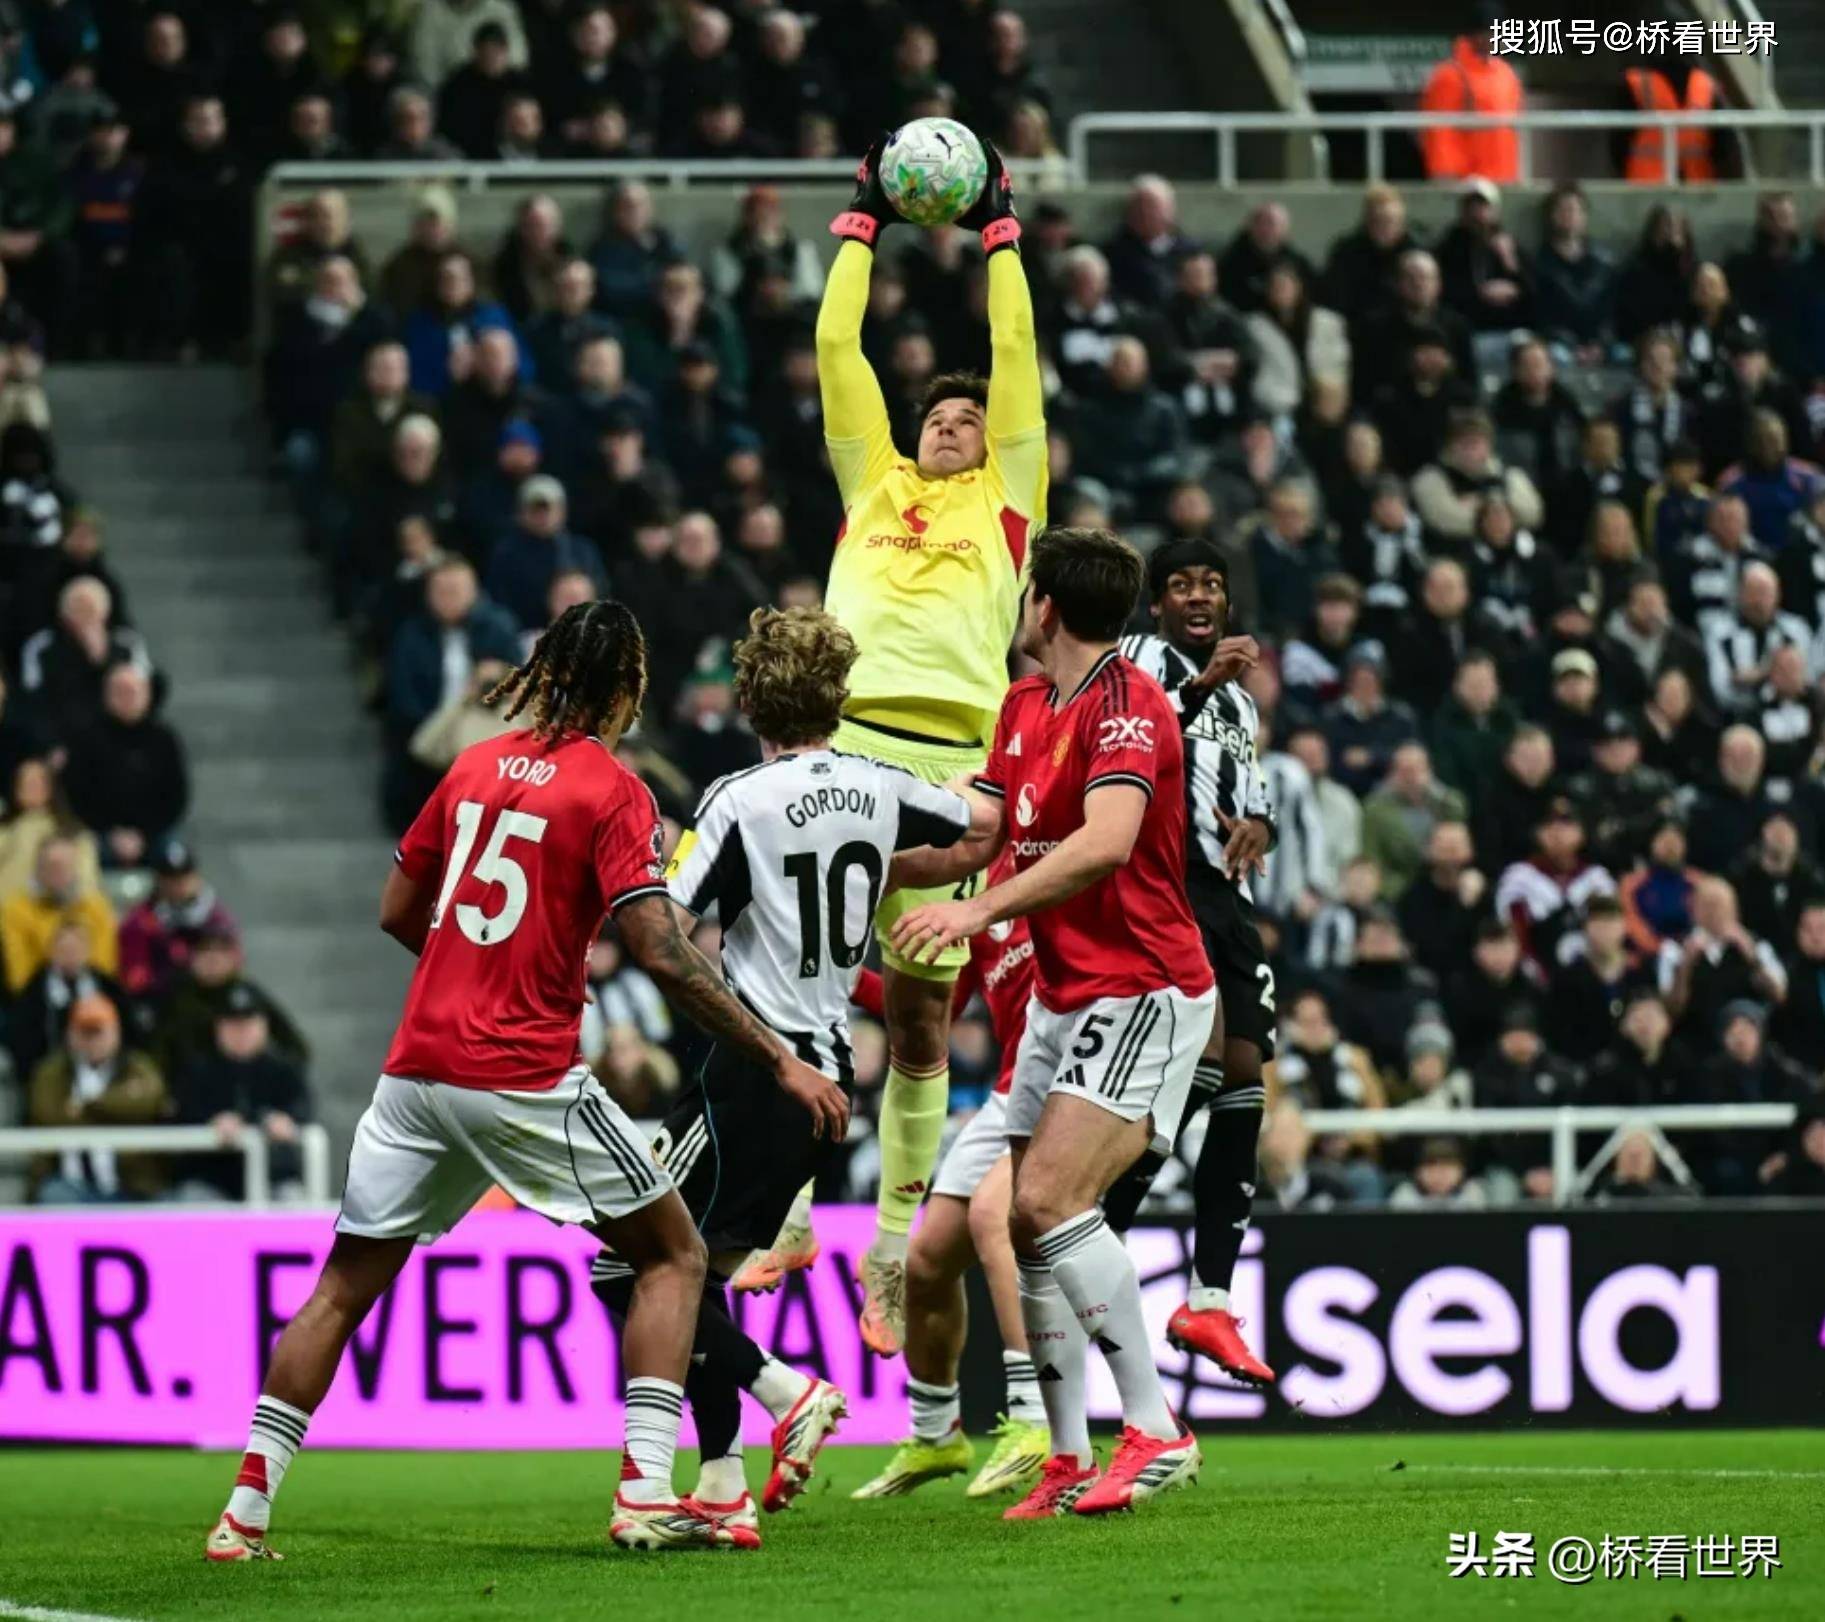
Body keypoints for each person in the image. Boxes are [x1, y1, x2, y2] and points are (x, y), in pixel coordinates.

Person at [203, 602, 845, 1561]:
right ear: (625, 687)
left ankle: (243, 1513)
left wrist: (469, 968)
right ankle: (642, 1492)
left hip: (415, 1071)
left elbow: (397, 908)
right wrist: (778, 1055)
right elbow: (664, 956)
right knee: (667, 1255)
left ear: (544, 673)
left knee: (340, 1287)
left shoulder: (470, 765)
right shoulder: (612, 790)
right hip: (519, 1074)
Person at [591, 607, 985, 1536]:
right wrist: (888, 869)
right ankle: (723, 1486)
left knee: (628, 1266)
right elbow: (979, 832)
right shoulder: (878, 784)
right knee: (699, 1277)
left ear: (749, 702)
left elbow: (670, 924)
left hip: (755, 1072)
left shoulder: (738, 797)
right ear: (838, 701)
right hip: (832, 1069)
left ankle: (787, 1393)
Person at [892, 527, 1214, 1520]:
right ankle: (1070, 1452)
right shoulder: (1026, 702)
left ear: (1044, 607)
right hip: (1065, 998)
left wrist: (977, 911)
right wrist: (861, 857)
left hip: (1143, 987)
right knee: (1032, 1227)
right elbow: (978, 834)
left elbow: (1108, 842)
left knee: (1047, 1200)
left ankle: (1157, 1428)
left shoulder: (1129, 705)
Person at [815, 136, 1046, 1354]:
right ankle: (789, 1207)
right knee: (791, 993)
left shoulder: (1008, 496)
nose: (956, 424)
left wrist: (999, 233)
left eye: (970, 417)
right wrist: (861, 222)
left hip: (952, 770)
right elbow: (831, 352)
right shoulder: (873, 485)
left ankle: (894, 1239)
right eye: (939, 417)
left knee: (913, 1024)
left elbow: (1015, 355)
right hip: (838, 750)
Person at [1102, 537, 1278, 1384]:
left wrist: (1261, 823)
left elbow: (1250, 788)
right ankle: (1096, 1226)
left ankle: (1208, 1299)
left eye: (1212, 583)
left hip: (1226, 898)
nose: (1199, 596)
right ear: (1157, 604)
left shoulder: (1243, 708)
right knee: (1200, 1064)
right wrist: (1204, 683)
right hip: (1161, 882)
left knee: (1244, 1075)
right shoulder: (1135, 661)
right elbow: (1126, 744)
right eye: (1181, 585)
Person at [850, 852, 1051, 1502]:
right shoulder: (971, 899)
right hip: (1010, 1089)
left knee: (998, 1215)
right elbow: (938, 1000)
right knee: (925, 1261)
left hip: (1076, 1078)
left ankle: (1034, 1422)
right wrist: (836, 975)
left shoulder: (1052, 869)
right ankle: (936, 1433)